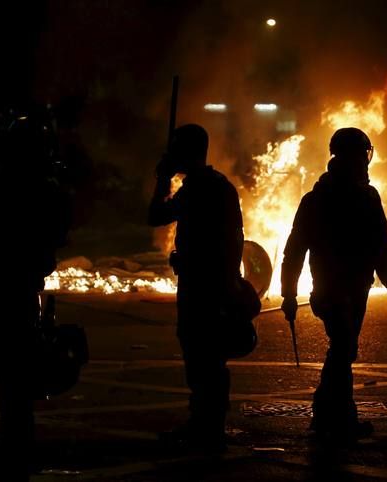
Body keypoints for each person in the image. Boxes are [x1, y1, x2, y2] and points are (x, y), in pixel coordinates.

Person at [280, 127, 387, 442]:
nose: (365, 161)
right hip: (333, 289)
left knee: (343, 350)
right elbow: (295, 248)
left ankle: (331, 416)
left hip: (353, 287)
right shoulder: (325, 199)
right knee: (343, 347)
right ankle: (334, 417)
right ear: (349, 156)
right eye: (361, 155)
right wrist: (288, 293)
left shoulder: (355, 196)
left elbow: (380, 244)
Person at [148, 124, 244, 452]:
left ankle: (206, 427)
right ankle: (207, 424)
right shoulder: (219, 187)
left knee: (202, 354)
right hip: (211, 282)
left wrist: (163, 178)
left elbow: (156, 215)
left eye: (177, 150)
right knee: (207, 356)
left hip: (202, 285)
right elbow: (237, 240)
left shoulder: (198, 189)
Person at [0, 107, 71, 482]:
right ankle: (16, 452)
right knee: (16, 381)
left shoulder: (3, 182)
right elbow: (58, 232)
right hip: (18, 288)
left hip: (8, 286)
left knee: (10, 377)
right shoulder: (42, 189)